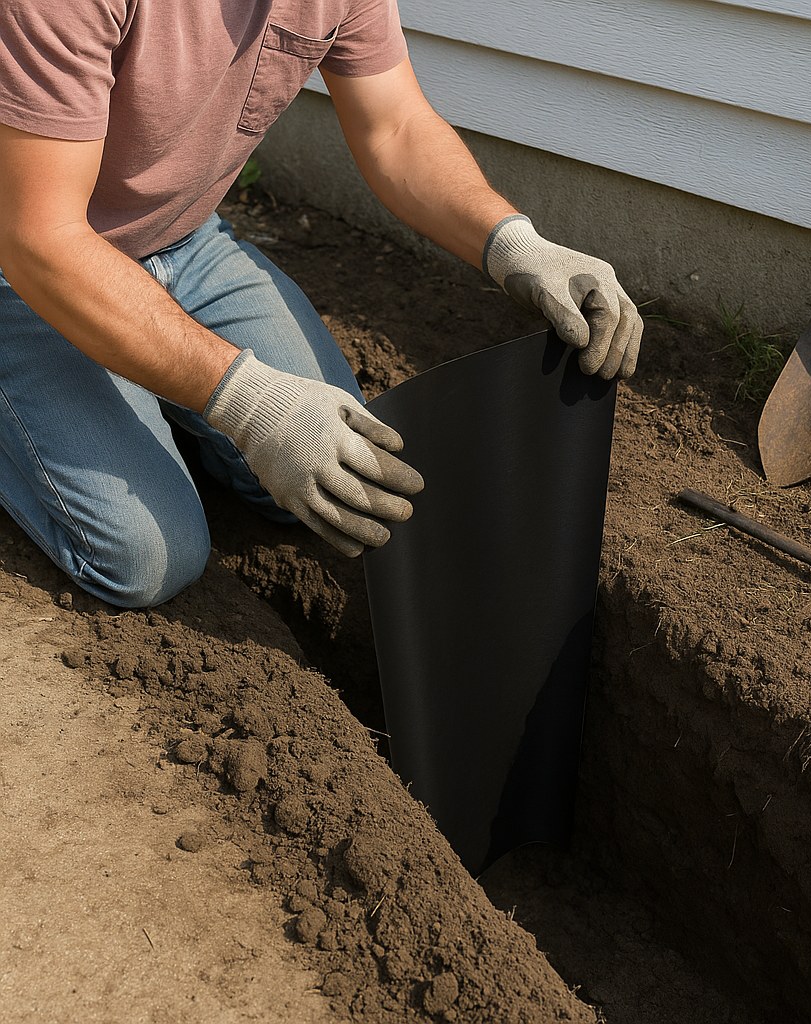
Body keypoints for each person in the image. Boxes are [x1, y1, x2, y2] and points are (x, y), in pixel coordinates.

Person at [0, 1, 643, 609]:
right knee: (145, 557)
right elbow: (40, 238)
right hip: (25, 269)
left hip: (182, 240)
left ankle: (156, 397)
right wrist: (250, 405)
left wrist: (515, 245)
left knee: (348, 476)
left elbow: (395, 128)